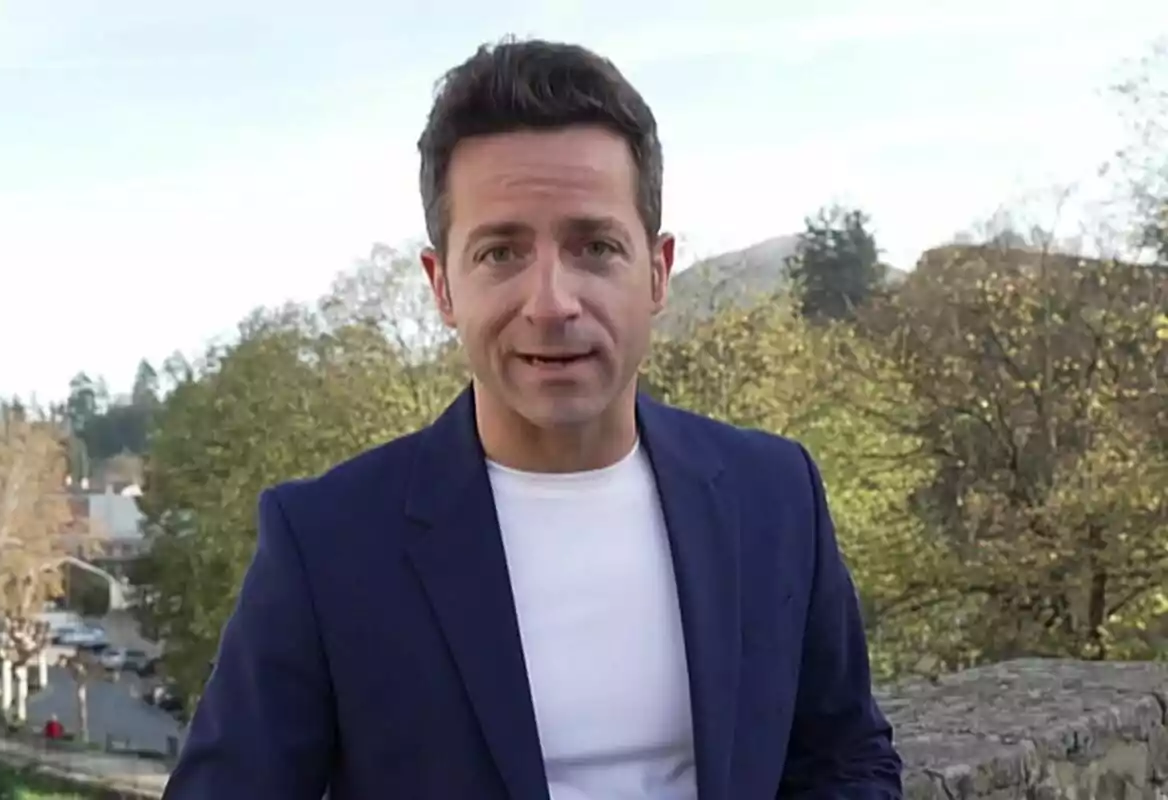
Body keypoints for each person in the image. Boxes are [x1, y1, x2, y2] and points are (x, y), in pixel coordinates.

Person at [163, 38, 902, 800]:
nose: (552, 302)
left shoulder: (774, 495)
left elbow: (845, 757)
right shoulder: (325, 543)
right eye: (500, 253)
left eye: (595, 246)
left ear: (657, 271)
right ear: (442, 286)